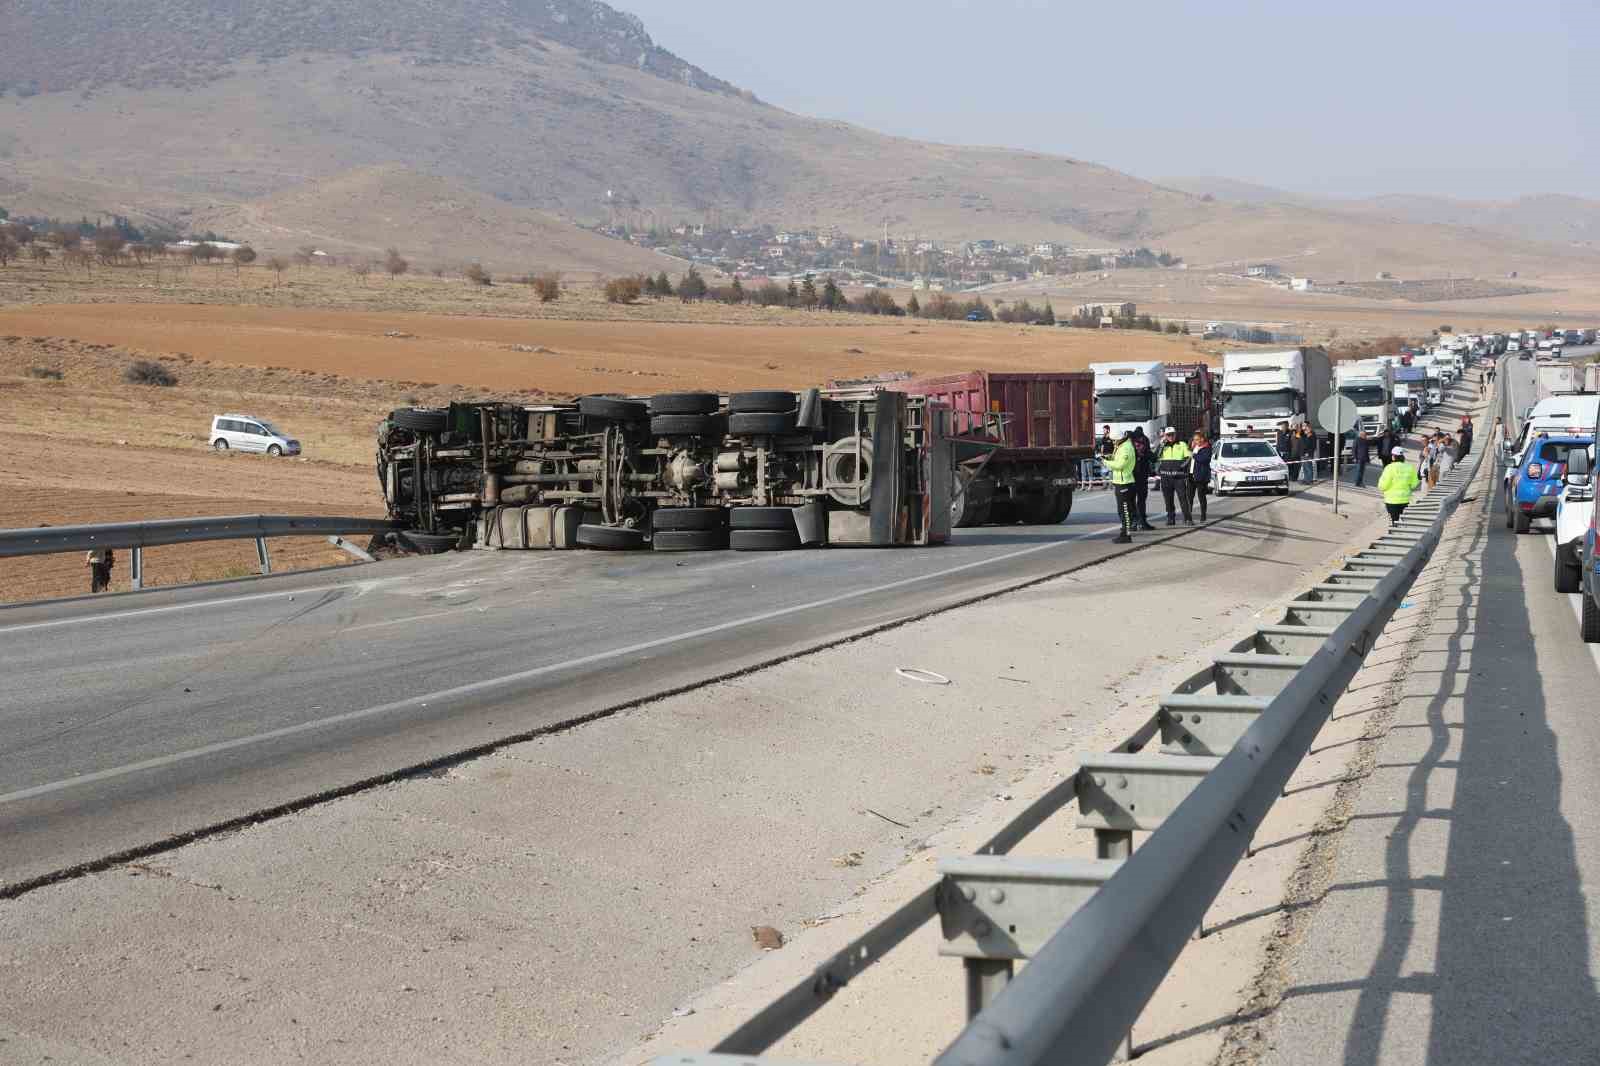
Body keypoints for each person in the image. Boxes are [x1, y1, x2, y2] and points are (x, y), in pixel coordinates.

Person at [1155, 426, 1194, 526]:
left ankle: (1188, 518)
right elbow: (1155, 457)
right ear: (1165, 436)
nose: (1171, 437)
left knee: (1183, 498)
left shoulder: (1182, 444)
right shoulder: (1163, 446)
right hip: (1166, 477)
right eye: (1168, 435)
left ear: (1175, 434)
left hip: (1179, 477)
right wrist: (1161, 445)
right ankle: (1170, 518)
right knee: (1168, 499)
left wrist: (1180, 467)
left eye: (1172, 434)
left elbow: (1188, 457)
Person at [1106, 429, 1138, 544]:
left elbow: (1120, 465)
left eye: (1114, 440)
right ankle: (1125, 532)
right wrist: (1109, 458)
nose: (1113, 442)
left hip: (1125, 482)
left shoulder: (1126, 448)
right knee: (1123, 510)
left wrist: (1106, 463)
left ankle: (1126, 535)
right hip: (1121, 481)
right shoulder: (1123, 446)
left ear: (1118, 439)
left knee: (1124, 510)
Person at [1379, 447, 1420, 524]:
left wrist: (1383, 489)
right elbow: (1414, 484)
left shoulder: (1389, 468)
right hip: (1405, 500)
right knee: (1402, 522)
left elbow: (1383, 485)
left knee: (1394, 521)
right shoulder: (1409, 467)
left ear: (1393, 456)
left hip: (1391, 500)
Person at [1130, 427, 1156, 530]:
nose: (1139, 446)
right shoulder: (1132, 451)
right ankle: (1137, 522)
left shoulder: (1143, 450)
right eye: (1137, 444)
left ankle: (1138, 522)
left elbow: (1154, 458)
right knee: (1136, 501)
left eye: (1141, 445)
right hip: (1135, 477)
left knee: (1137, 501)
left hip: (1138, 477)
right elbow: (1154, 458)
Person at [1189, 431, 1213, 521]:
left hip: (1201, 475)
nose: (1195, 441)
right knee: (1189, 496)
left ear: (1202, 439)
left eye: (1197, 439)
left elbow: (1204, 459)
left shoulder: (1206, 448)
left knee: (1201, 496)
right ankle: (1188, 515)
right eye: (1194, 440)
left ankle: (1203, 515)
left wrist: (1194, 455)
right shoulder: (1194, 447)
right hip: (1191, 474)